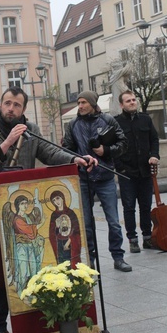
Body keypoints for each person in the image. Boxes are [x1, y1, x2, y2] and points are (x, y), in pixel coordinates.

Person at [0, 86, 96, 333]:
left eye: (17, 105)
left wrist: (76, 158)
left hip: (24, 209)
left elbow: (50, 153)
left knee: (28, 266)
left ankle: (32, 324)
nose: (11, 109)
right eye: (7, 103)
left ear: (23, 109)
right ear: (1, 103)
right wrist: (7, 143)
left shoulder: (30, 129)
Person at [62, 90, 132, 272]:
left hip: (105, 178)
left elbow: (124, 144)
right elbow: (66, 150)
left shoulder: (108, 120)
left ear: (93, 103)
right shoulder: (72, 124)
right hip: (83, 179)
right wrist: (78, 159)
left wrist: (106, 151)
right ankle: (90, 260)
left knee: (114, 222)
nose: (81, 106)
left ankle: (118, 257)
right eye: (79, 102)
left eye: (84, 102)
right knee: (86, 223)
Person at [114, 90, 160, 252]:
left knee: (145, 206)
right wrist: (120, 168)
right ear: (122, 105)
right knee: (129, 207)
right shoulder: (116, 122)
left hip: (145, 171)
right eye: (128, 101)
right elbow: (114, 148)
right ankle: (132, 239)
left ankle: (147, 238)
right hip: (127, 173)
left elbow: (154, 139)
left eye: (134, 100)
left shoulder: (146, 119)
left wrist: (154, 155)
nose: (132, 102)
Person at [49, 190, 81, 267]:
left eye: (57, 198)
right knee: (62, 264)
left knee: (70, 263)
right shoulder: (54, 215)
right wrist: (57, 226)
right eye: (53, 200)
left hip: (69, 242)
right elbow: (53, 234)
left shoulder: (70, 213)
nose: (56, 202)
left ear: (62, 198)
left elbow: (76, 230)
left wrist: (68, 242)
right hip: (59, 243)